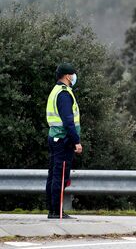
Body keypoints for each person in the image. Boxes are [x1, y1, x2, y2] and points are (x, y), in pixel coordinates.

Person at [45, 62, 83, 219]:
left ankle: (52, 210)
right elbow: (68, 121)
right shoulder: (64, 94)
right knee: (60, 176)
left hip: (55, 137)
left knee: (54, 174)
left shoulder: (56, 90)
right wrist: (76, 141)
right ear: (68, 76)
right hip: (63, 139)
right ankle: (57, 211)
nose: (74, 76)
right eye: (73, 74)